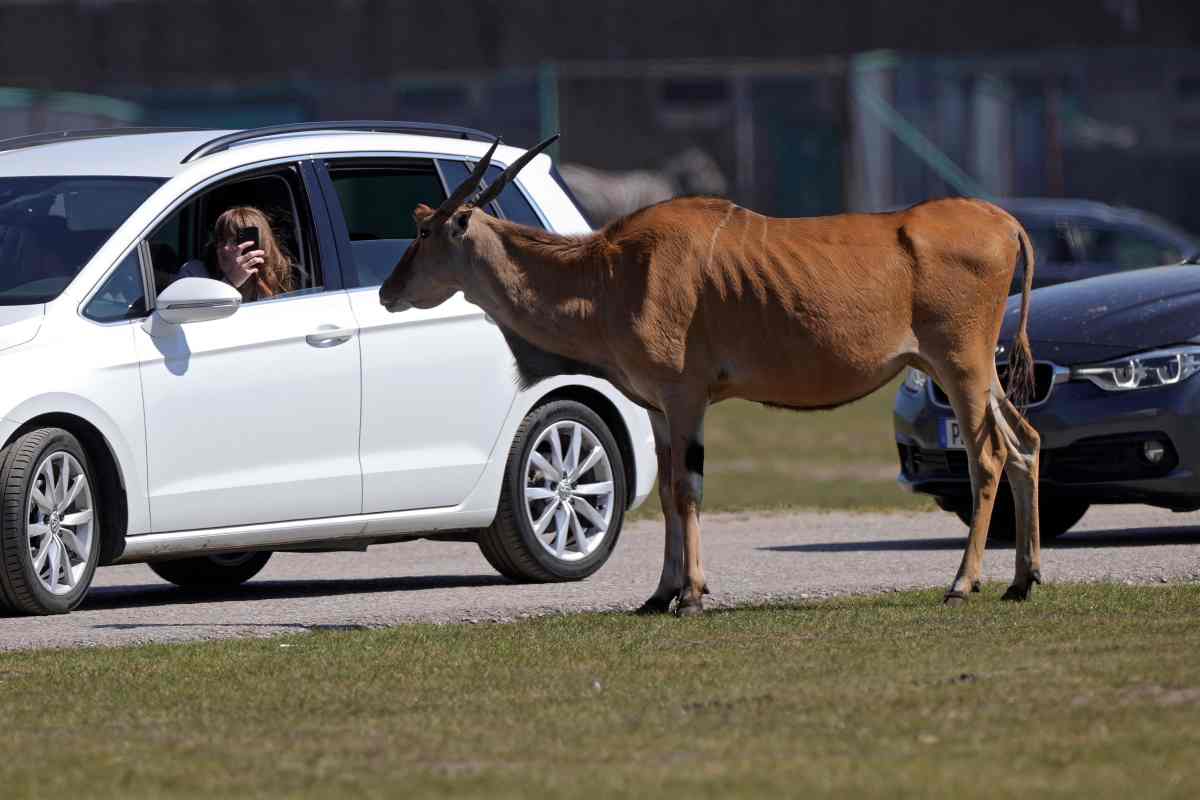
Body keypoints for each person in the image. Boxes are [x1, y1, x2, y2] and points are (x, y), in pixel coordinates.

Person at [178, 206, 295, 302]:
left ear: (256, 246)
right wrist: (230, 282)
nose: (225, 248)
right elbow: (191, 319)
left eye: (235, 241)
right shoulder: (194, 273)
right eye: (221, 240)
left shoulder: (277, 276)